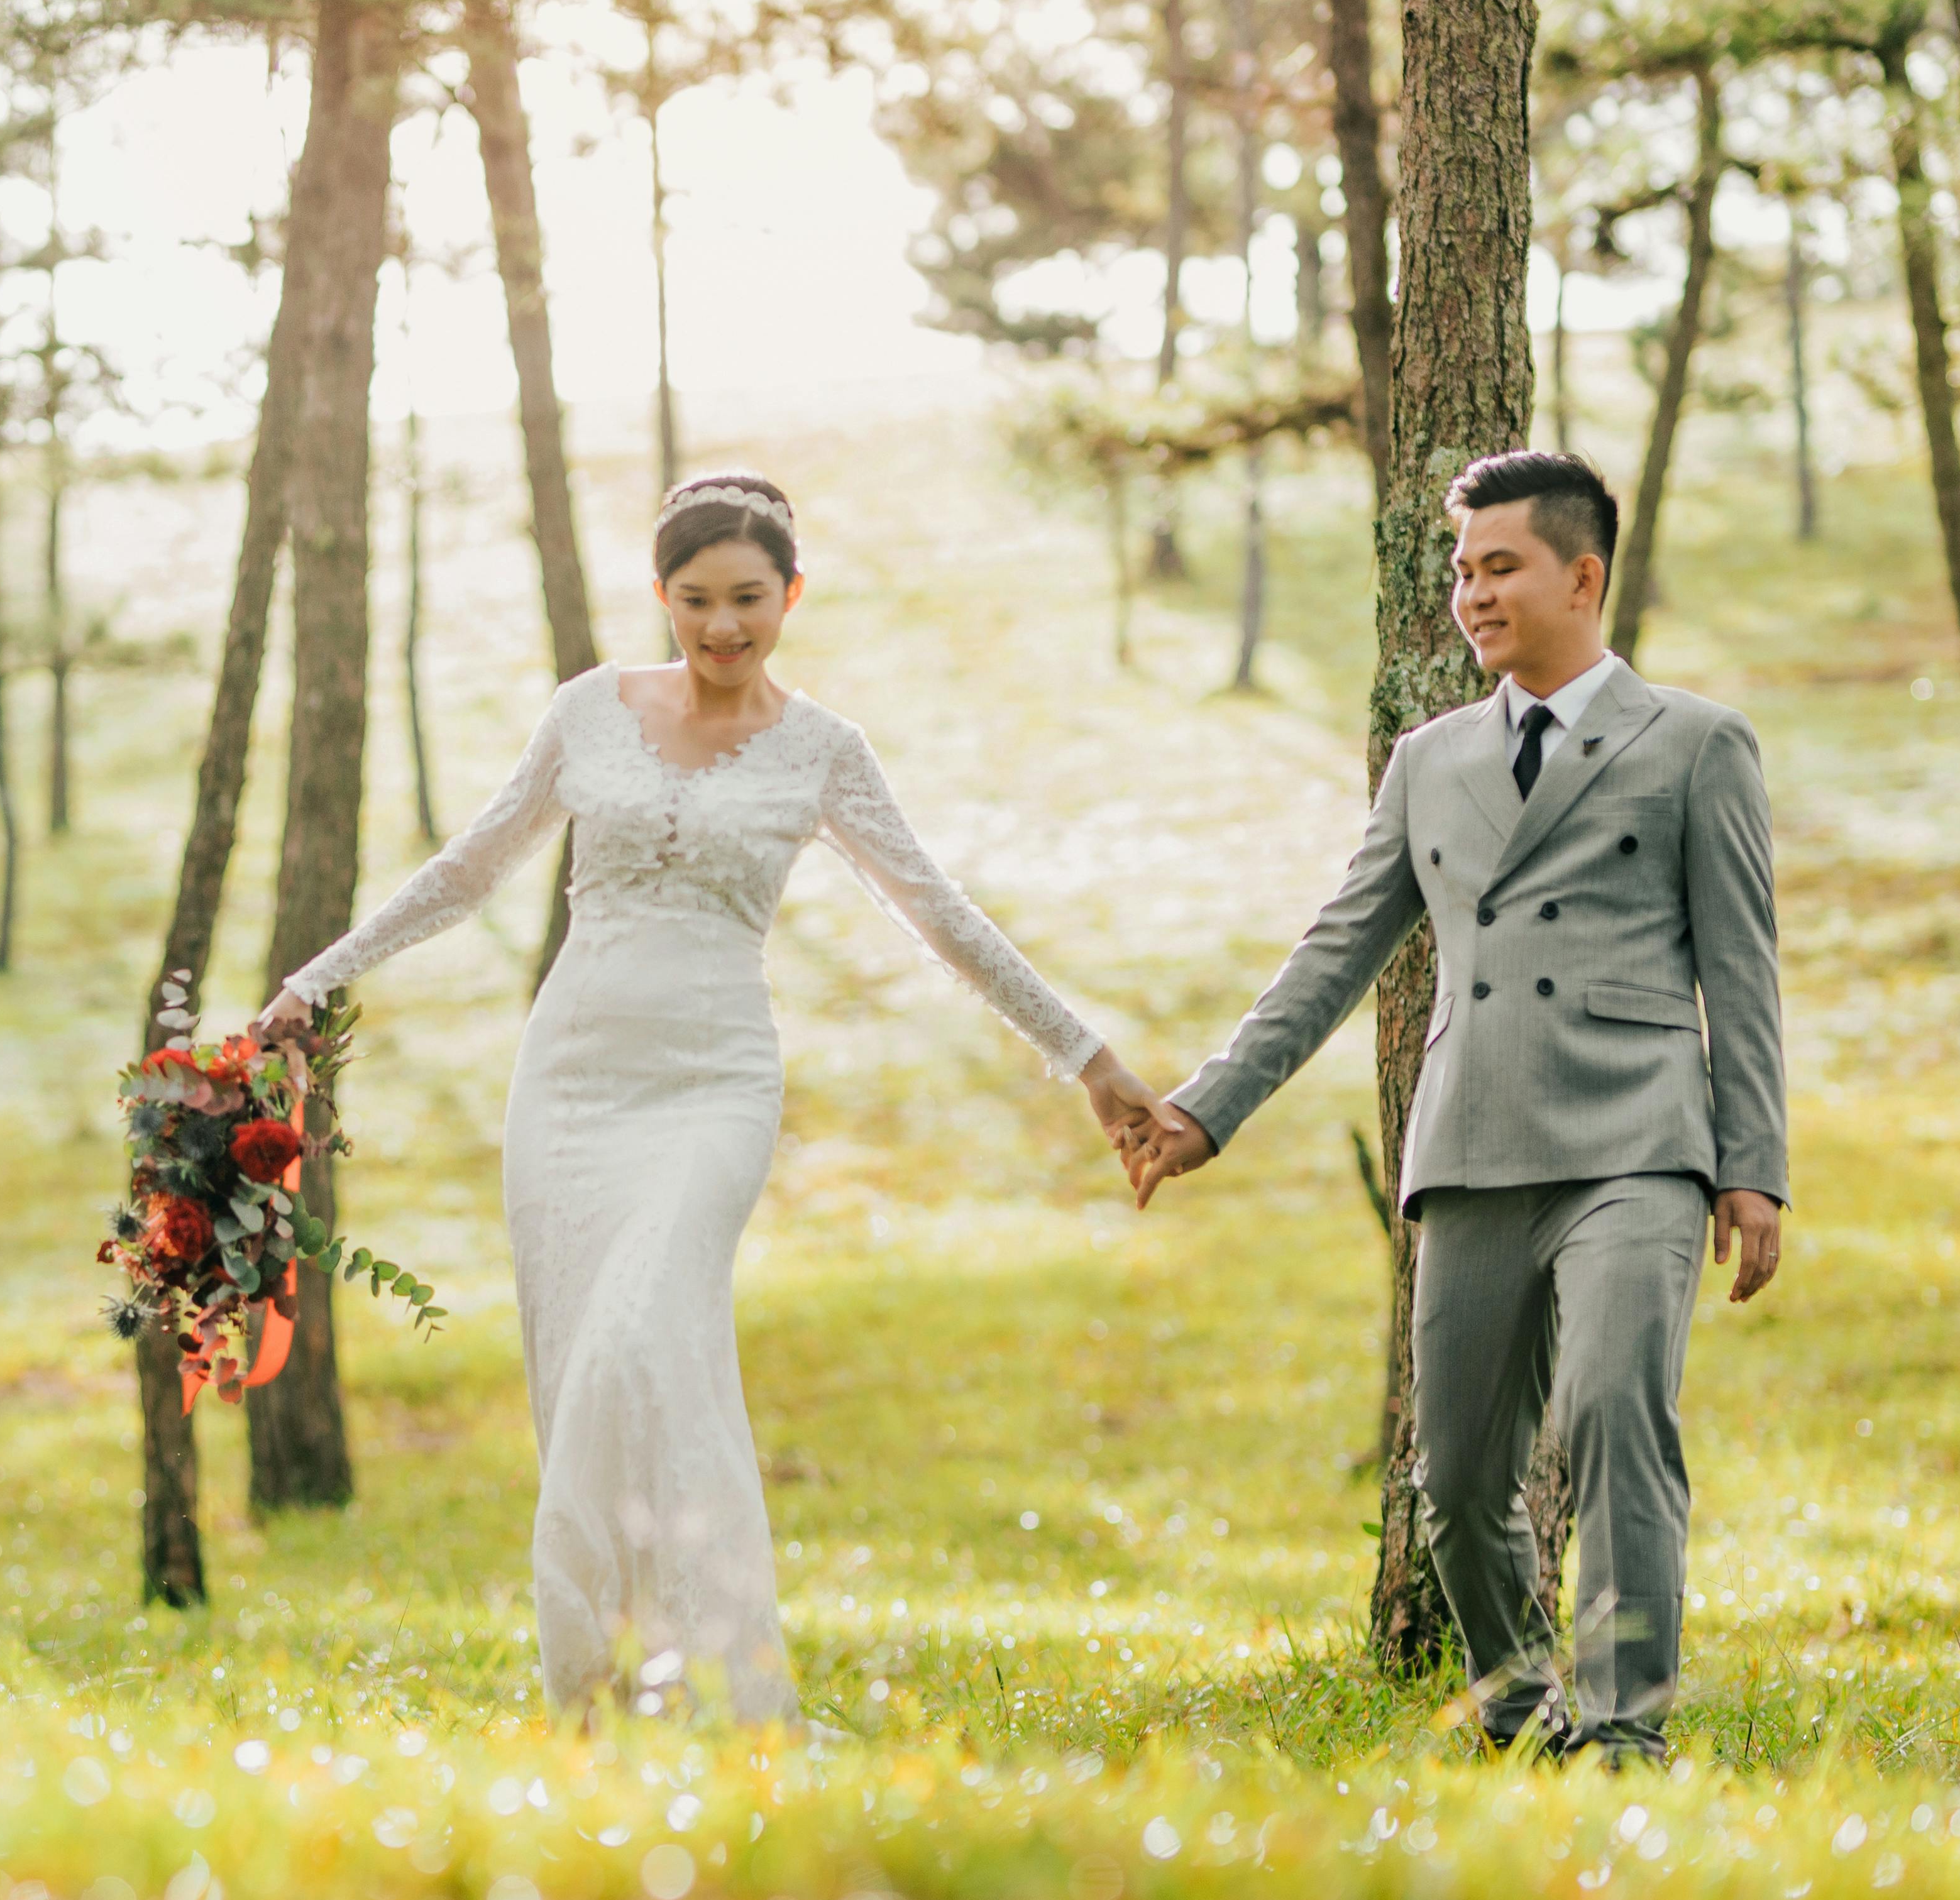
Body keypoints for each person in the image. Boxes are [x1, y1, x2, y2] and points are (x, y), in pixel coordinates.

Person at [257, 472, 1160, 1722]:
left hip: (712, 1083)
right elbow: (468, 869)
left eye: (748, 599)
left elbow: (939, 916)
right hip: (570, 1081)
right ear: (661, 598)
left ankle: (713, 1676)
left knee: (645, 1333)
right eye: (696, 600)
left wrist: (1090, 1060)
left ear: (790, 596)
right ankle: (592, 1678)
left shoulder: (823, 750)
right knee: (580, 1367)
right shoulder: (588, 712)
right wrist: (317, 980)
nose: (723, 626)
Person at [1125, 449, 1787, 1764]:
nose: (1470, 595)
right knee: (1460, 1482)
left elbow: (1742, 968)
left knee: (1612, 1415)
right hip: (1473, 1142)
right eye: (1460, 571)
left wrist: (1751, 1165)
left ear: (1580, 576)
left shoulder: (1696, 742)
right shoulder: (1428, 762)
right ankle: (1518, 1703)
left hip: (1637, 1142)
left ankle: (1619, 1726)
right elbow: (1335, 951)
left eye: (1500, 567)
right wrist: (1207, 1109)